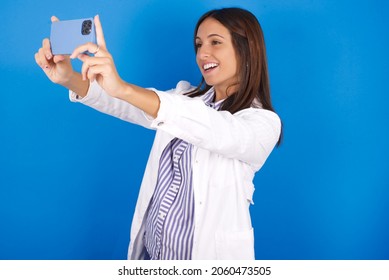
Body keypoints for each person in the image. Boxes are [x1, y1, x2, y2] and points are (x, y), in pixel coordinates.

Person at [34, 7, 282, 260]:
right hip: (153, 255)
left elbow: (214, 129)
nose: (202, 53)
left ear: (248, 49)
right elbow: (129, 105)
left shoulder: (263, 123)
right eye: (198, 44)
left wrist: (122, 87)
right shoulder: (184, 98)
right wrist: (68, 78)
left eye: (215, 42)